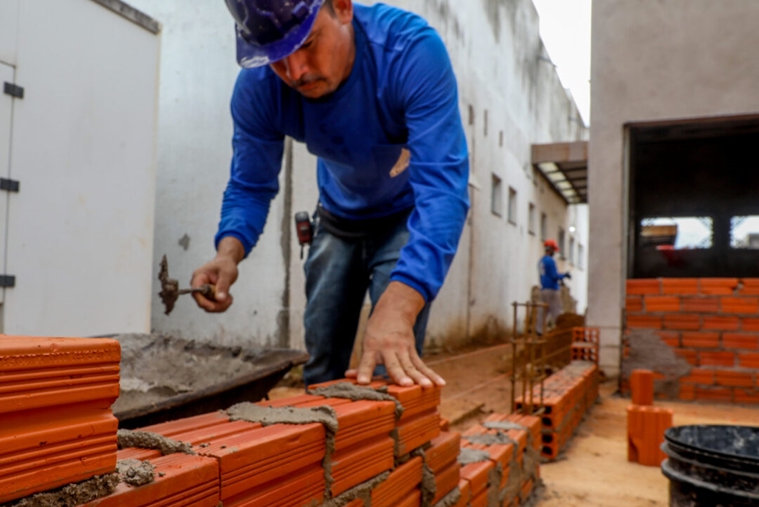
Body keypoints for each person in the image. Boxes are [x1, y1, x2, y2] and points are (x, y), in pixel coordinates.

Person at [191, 0, 470, 389]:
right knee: (321, 368)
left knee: (390, 364)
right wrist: (228, 252)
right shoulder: (259, 88)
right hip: (337, 219)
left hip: (405, 218)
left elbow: (442, 189)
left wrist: (402, 302)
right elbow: (250, 185)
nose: (295, 72)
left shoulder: (409, 52)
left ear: (342, 7)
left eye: (307, 44)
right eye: (276, 57)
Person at [536, 239, 571, 335]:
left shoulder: (541, 261)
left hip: (543, 289)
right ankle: (560, 331)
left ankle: (539, 331)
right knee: (556, 310)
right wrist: (564, 275)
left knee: (542, 311)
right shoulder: (550, 261)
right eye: (554, 250)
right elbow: (554, 276)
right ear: (550, 249)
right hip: (552, 290)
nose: (554, 252)